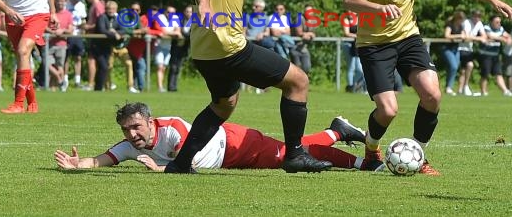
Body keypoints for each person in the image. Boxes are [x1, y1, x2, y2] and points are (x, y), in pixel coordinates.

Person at [166, 0, 332, 173]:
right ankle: (294, 155)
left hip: (203, 48)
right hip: (227, 45)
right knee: (298, 81)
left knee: (224, 104)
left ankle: (181, 163)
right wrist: (205, 3)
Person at [343, 0, 512, 175]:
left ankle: (419, 156)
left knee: (433, 95)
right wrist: (379, 8)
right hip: (374, 43)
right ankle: (371, 147)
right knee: (388, 110)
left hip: (408, 36)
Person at [54, 102, 382, 172]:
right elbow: (101, 160)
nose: (131, 135)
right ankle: (337, 130)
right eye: (126, 130)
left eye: (136, 127)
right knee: (288, 150)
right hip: (230, 156)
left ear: (150, 122)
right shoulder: (131, 146)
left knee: (289, 156)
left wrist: (160, 170)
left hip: (235, 143)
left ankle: (358, 162)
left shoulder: (173, 128)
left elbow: (188, 162)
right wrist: (76, 164)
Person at [92, 1, 127, 91]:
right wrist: (114, 34)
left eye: (113, 9)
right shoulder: (102, 17)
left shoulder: (117, 18)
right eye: (109, 9)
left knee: (104, 67)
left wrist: (116, 32)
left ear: (116, 9)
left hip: (108, 47)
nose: (110, 11)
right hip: (98, 47)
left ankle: (99, 87)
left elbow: (123, 30)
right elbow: (102, 30)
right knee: (103, 66)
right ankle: (99, 87)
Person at [44, 0, 73, 91]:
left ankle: (54, 88)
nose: (60, 3)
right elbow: (43, 26)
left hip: (62, 44)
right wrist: (52, 31)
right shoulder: (51, 13)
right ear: (55, 1)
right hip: (50, 44)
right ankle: (61, 81)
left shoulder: (68, 14)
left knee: (60, 66)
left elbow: (71, 29)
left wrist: (62, 31)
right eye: (59, 0)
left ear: (65, 2)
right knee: (46, 63)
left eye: (62, 1)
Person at [478, 15, 512, 97]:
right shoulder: (486, 27)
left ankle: (505, 91)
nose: (499, 24)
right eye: (497, 22)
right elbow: (490, 36)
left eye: (499, 22)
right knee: (485, 74)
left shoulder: (500, 29)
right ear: (491, 22)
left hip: (495, 55)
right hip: (486, 55)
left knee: (499, 73)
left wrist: (509, 39)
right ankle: (483, 92)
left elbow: (508, 35)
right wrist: (503, 39)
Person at [457, 10, 486, 96]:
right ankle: (463, 88)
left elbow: (484, 36)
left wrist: (478, 38)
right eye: (476, 16)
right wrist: (478, 38)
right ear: (472, 16)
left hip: (469, 49)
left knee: (466, 68)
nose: (477, 18)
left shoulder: (479, 23)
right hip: (461, 48)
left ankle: (462, 88)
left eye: (479, 16)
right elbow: (466, 37)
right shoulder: (466, 22)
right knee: (466, 67)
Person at [81, 0, 105, 91]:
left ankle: (91, 84)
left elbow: (101, 23)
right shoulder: (95, 5)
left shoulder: (98, 6)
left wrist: (88, 27)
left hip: (96, 37)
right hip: (92, 36)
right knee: (91, 60)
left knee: (91, 60)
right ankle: (93, 84)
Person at [154, 6, 181, 92]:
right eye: (168, 12)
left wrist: (168, 34)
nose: (170, 14)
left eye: (172, 12)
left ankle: (161, 86)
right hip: (159, 45)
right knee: (160, 67)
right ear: (165, 12)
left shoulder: (175, 18)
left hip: (168, 46)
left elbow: (178, 32)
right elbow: (162, 31)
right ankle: (160, 87)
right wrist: (173, 34)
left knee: (164, 68)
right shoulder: (160, 17)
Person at [64, 0, 87, 89]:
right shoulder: (66, 4)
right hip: (68, 34)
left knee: (78, 57)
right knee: (66, 58)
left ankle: (77, 80)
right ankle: (65, 80)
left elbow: (83, 19)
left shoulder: (81, 5)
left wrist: (82, 28)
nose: (77, 1)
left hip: (77, 35)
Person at [441, 11, 467, 96]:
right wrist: (459, 36)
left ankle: (449, 87)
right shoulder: (450, 25)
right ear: (457, 18)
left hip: (455, 49)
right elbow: (447, 35)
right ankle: (448, 87)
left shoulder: (461, 26)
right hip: (447, 49)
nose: (462, 21)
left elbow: (464, 35)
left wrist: (463, 35)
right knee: (453, 66)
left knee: (454, 68)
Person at [167, 5, 192, 92]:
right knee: (173, 67)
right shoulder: (179, 21)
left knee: (178, 67)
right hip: (175, 47)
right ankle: (170, 86)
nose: (189, 13)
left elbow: (192, 36)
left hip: (184, 48)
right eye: (187, 11)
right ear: (184, 12)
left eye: (190, 12)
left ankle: (174, 86)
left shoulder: (195, 24)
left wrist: (183, 36)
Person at [342, 12, 365, 93]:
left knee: (360, 69)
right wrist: (358, 36)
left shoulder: (360, 19)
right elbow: (346, 33)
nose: (350, 11)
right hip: (348, 45)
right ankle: (350, 86)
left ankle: (354, 85)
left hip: (357, 46)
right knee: (351, 67)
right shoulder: (346, 19)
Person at [290, 4, 316, 74]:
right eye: (306, 11)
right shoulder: (299, 18)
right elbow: (299, 32)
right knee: (296, 69)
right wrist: (307, 34)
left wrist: (308, 34)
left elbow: (313, 33)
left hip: (304, 47)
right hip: (294, 46)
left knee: (307, 67)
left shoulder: (313, 20)